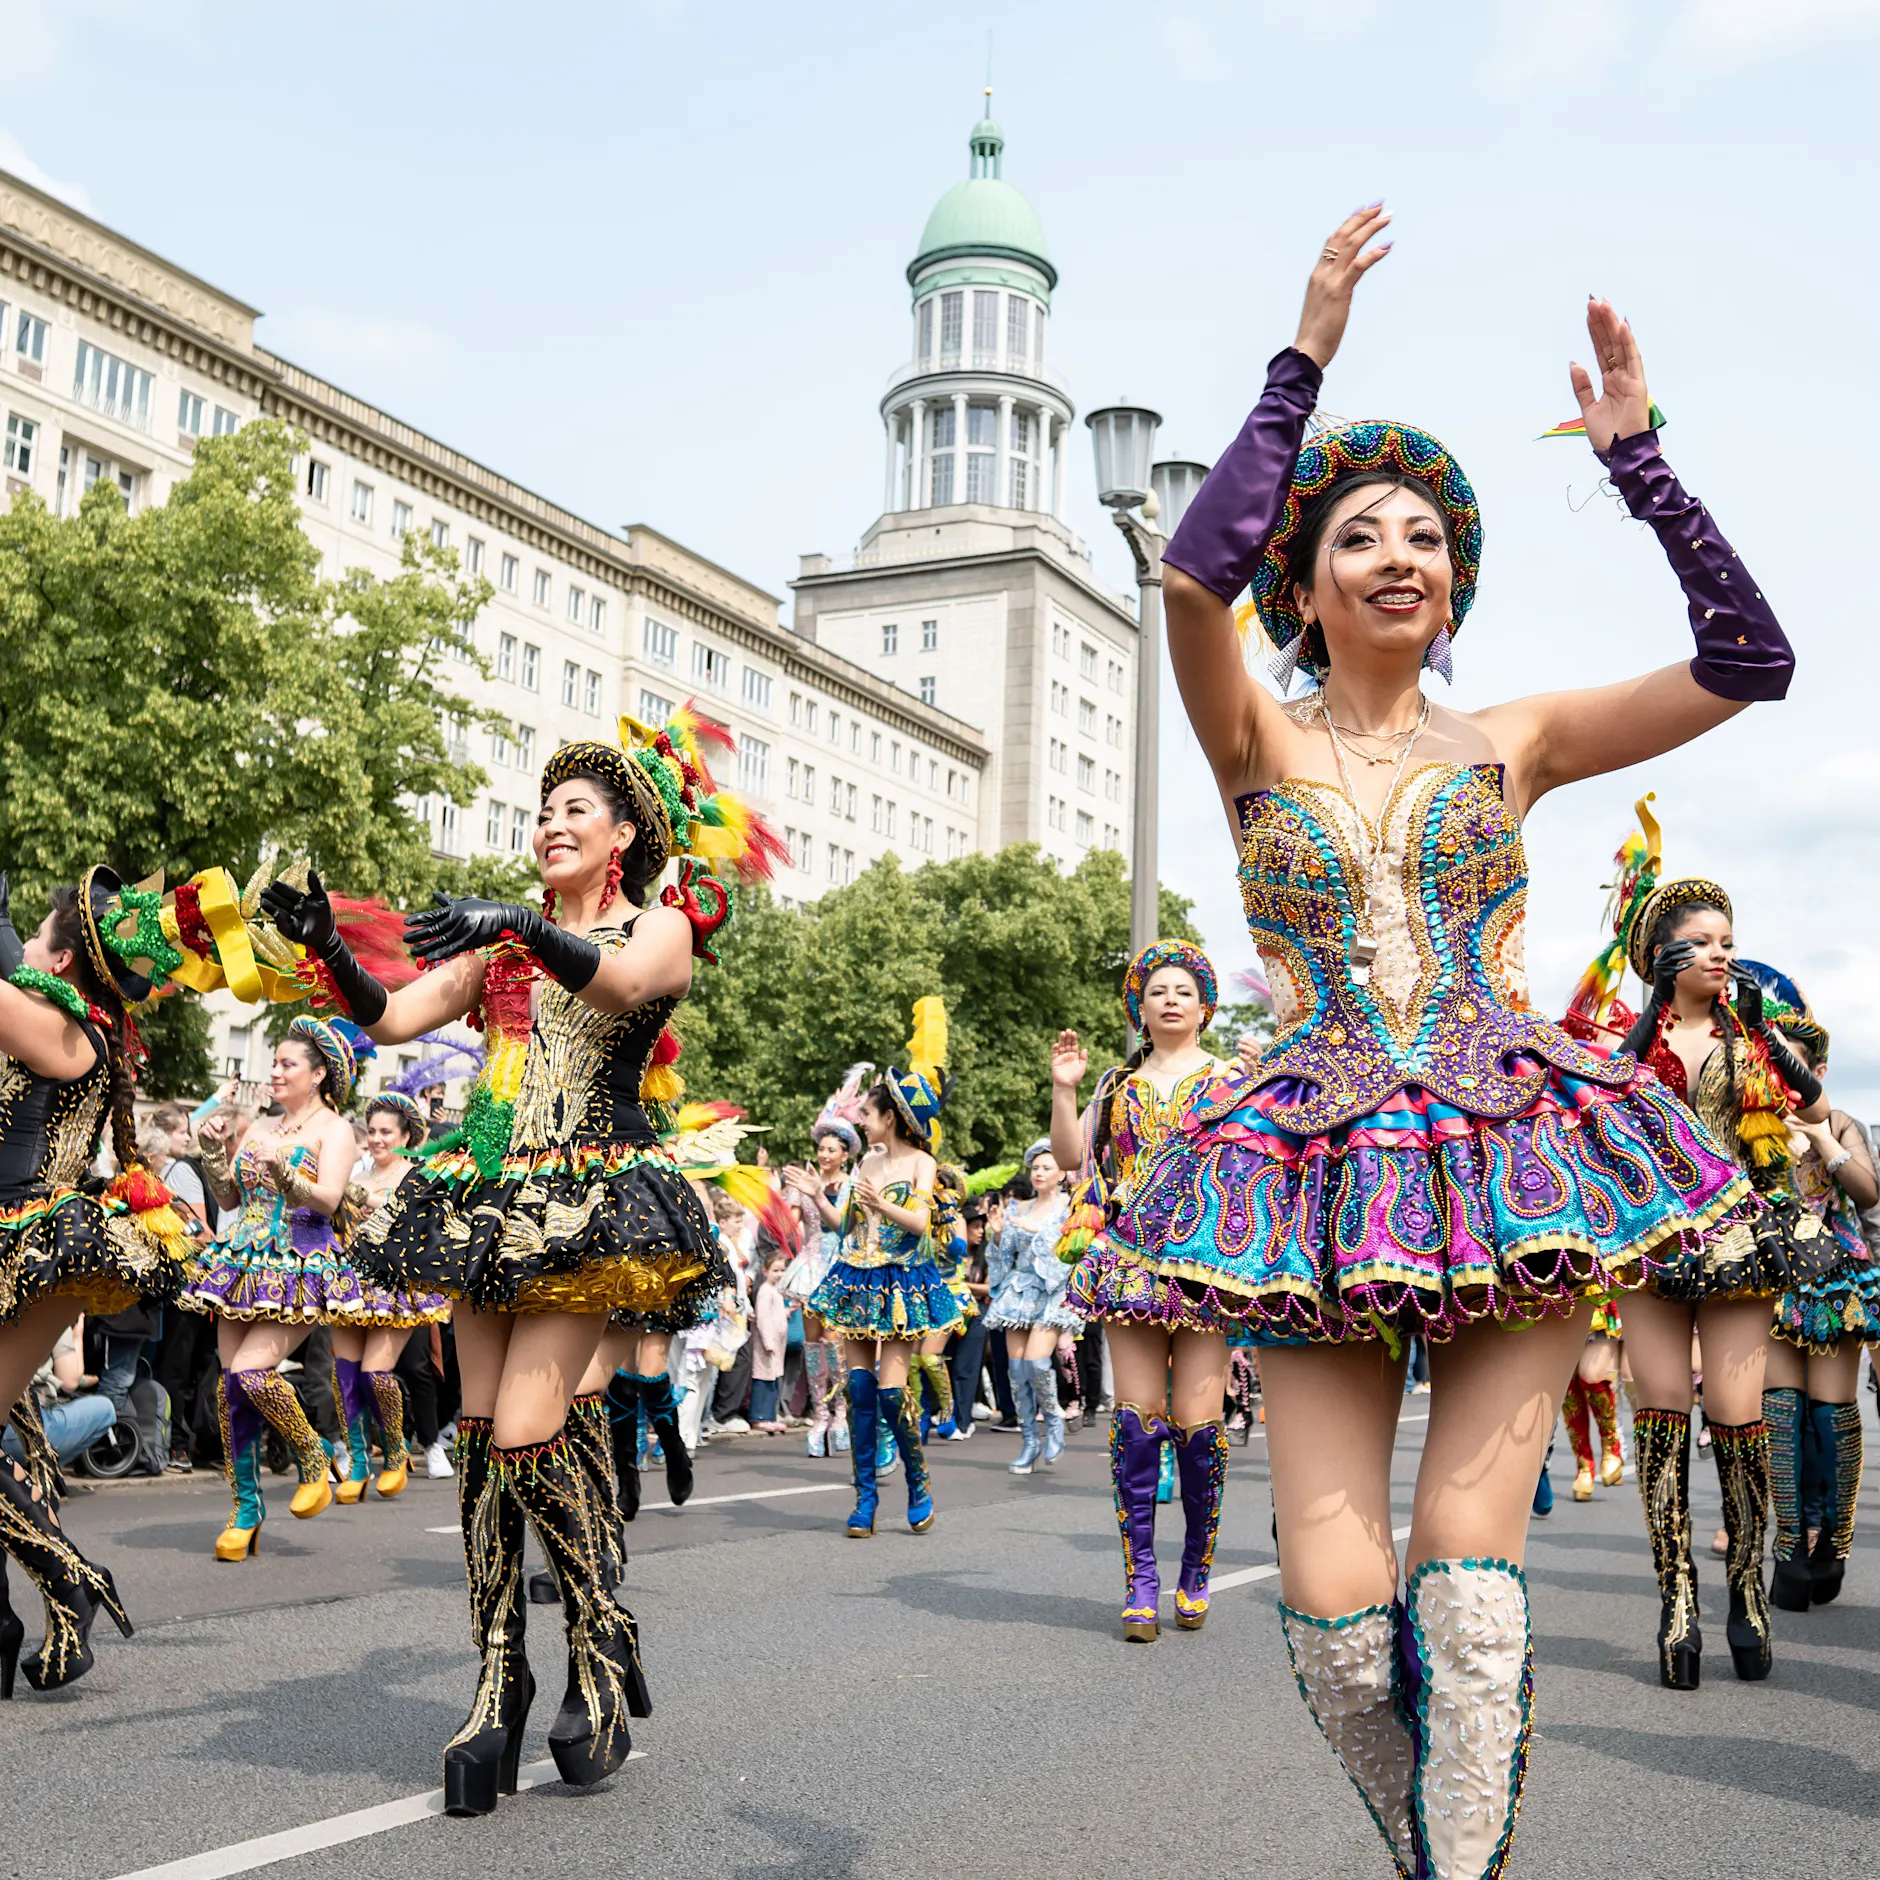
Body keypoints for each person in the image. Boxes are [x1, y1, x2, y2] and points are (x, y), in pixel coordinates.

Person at [1109, 208, 1785, 1876]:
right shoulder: (1249, 735)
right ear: (1305, 580)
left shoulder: (1517, 739)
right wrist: (1303, 359)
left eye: (1426, 536)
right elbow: (1188, 578)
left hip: (1511, 1159)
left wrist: (1640, 465)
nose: (1399, 554)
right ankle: (1433, 1846)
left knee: (1469, 1603)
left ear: (1455, 582)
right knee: (1343, 1628)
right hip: (1309, 1172)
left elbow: (1750, 662)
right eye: (1360, 535)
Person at [261, 704, 776, 1813]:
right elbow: (392, 1016)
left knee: (531, 1434)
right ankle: (500, 1674)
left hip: (593, 1202)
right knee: (486, 1444)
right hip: (489, 1198)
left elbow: (622, 988)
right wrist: (326, 946)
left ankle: (597, 1637)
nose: (550, 824)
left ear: (622, 835)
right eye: (542, 811)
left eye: (574, 809)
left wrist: (521, 924)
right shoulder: (503, 944)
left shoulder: (661, 925)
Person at [1603, 866, 1839, 1687]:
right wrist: (1646, 1021)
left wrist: (1761, 1030)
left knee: (1738, 1416)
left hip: (1740, 1237)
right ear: (1659, 957)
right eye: (1699, 943)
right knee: (1661, 1410)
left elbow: (1813, 1108)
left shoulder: (1750, 1038)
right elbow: (1600, 1102)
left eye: (1727, 942)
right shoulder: (1630, 1044)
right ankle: (1676, 1602)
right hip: (1652, 1236)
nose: (1719, 954)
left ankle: (1746, 1591)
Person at [0, 866, 207, 1690]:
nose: (26, 949)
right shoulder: (61, 1019)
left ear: (64, 960)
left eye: (36, 940)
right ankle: (40, 1601)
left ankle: (70, 1582)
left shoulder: (66, 1028)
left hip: (32, 1244)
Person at [1057, 940, 1230, 1640]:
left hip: (1209, 1262)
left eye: (1183, 990)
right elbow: (1071, 1157)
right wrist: (1064, 1089)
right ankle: (1141, 1581)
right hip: (1129, 1258)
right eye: (1158, 990)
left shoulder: (1232, 1078)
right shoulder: (1114, 1086)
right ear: (1140, 1007)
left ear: (1204, 1007)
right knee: (1136, 1422)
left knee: (1197, 1427)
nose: (1170, 999)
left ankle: (1195, 1568)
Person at [179, 1017, 369, 1555]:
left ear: (318, 1074)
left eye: (288, 1064)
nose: (276, 1072)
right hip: (242, 1260)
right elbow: (230, 1199)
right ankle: (246, 1509)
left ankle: (313, 1452)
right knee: (230, 1386)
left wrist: (284, 1171)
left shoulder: (334, 1130)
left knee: (250, 1374)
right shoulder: (261, 1126)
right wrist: (214, 1151)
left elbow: (328, 1200)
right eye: (275, 1063)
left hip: (300, 1263)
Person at [1753, 979, 1879, 1610]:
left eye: (1795, 1069)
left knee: (1832, 1413)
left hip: (1834, 1279)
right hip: (1770, 1277)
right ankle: (1789, 1549)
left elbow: (1868, 1193)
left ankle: (1833, 1540)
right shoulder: (1751, 1124)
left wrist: (1823, 1140)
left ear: (1818, 1073)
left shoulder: (1842, 1122)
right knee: (1779, 1410)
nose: (1784, 1081)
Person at [806, 1036, 962, 1538]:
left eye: (867, 1114)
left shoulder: (921, 1163)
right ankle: (865, 1498)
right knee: (857, 1390)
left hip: (901, 1284)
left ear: (889, 1117)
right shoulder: (867, 1163)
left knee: (892, 1393)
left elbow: (919, 1223)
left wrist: (881, 1204)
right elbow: (846, 1226)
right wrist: (818, 1198)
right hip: (857, 1277)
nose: (861, 1121)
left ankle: (918, 1484)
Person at [334, 1091, 452, 1500]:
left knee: (375, 1374)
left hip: (397, 1289)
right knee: (345, 1375)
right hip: (350, 1287)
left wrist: (359, 1198)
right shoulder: (355, 1177)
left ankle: (398, 1449)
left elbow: (417, 1226)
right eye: (372, 1131)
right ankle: (357, 1459)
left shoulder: (418, 1177)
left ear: (405, 1136)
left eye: (386, 1132)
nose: (377, 1139)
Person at [782, 1068, 869, 1458]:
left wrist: (817, 1194)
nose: (824, 1154)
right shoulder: (805, 1183)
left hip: (842, 1266)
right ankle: (819, 1416)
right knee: (814, 1343)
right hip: (812, 1267)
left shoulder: (853, 1186)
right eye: (821, 1149)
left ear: (845, 1155)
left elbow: (847, 1227)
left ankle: (841, 1414)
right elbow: (790, 1227)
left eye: (831, 1150)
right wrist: (780, 1205)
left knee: (835, 1343)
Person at [983, 1140, 1076, 1475]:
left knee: (1037, 1363)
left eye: (1046, 1167)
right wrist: (997, 1235)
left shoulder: (1071, 1206)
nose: (1039, 1173)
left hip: (1053, 1291)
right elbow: (1003, 1256)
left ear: (1061, 1173)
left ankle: (1053, 1422)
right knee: (1017, 1371)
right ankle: (1029, 1441)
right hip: (1020, 1292)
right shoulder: (1017, 1208)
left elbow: (1072, 1248)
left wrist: (1040, 1231)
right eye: (1035, 1167)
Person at [750, 1250, 791, 1433]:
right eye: (775, 1270)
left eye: (782, 1270)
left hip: (776, 1344)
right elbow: (763, 1318)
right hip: (768, 1345)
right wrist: (768, 1342)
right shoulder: (765, 1291)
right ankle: (760, 1416)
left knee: (772, 1379)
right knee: (764, 1379)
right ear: (765, 1271)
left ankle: (769, 1416)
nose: (779, 1274)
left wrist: (787, 1312)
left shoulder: (776, 1291)